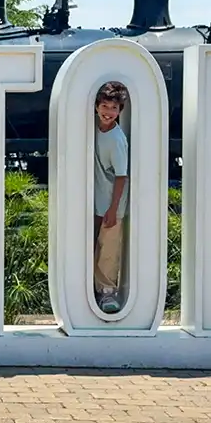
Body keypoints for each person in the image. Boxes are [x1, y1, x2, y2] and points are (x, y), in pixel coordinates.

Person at [94, 81, 130, 314]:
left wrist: (113, 208)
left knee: (108, 249)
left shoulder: (117, 140)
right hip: (95, 198)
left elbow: (121, 176)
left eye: (114, 108)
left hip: (110, 202)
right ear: (97, 107)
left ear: (120, 111)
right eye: (105, 106)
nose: (108, 112)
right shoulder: (93, 129)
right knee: (93, 246)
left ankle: (108, 292)